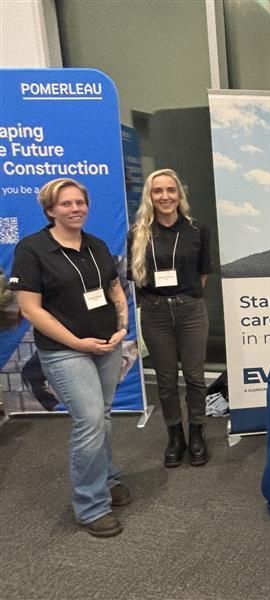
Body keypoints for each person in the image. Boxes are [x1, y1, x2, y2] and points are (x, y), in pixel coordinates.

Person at [10, 178, 131, 537]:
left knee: (103, 415)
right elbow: (31, 310)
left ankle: (106, 478)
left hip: (107, 345)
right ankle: (91, 505)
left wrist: (122, 327)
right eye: (66, 204)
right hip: (65, 351)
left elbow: (113, 290)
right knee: (90, 420)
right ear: (50, 210)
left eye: (80, 202)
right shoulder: (32, 250)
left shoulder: (96, 245)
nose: (75, 209)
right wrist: (78, 343)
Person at [128, 169, 211, 468]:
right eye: (157, 191)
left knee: (195, 377)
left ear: (179, 194)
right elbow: (136, 279)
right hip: (155, 313)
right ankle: (175, 436)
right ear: (149, 196)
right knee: (165, 380)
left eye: (170, 190)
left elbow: (202, 274)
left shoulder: (197, 230)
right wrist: (162, 303)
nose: (165, 196)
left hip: (190, 310)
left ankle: (197, 432)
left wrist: (183, 298)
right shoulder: (138, 232)